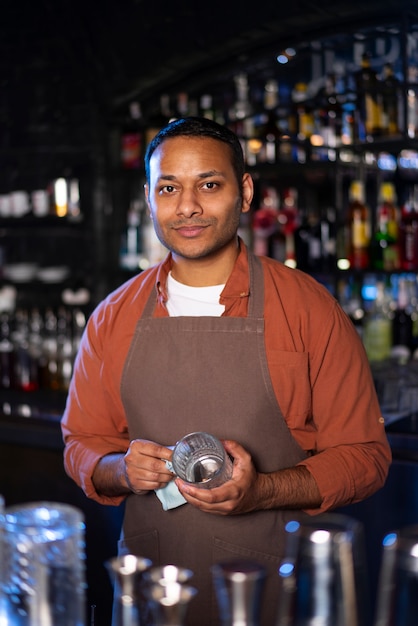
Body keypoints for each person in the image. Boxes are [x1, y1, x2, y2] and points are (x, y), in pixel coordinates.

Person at [61, 116, 391, 625]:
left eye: (208, 185)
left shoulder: (309, 309)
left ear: (244, 192)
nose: (187, 206)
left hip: (272, 586)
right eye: (169, 187)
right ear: (149, 197)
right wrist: (120, 470)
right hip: (153, 583)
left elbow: (366, 456)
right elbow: (82, 442)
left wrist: (264, 491)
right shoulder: (113, 316)